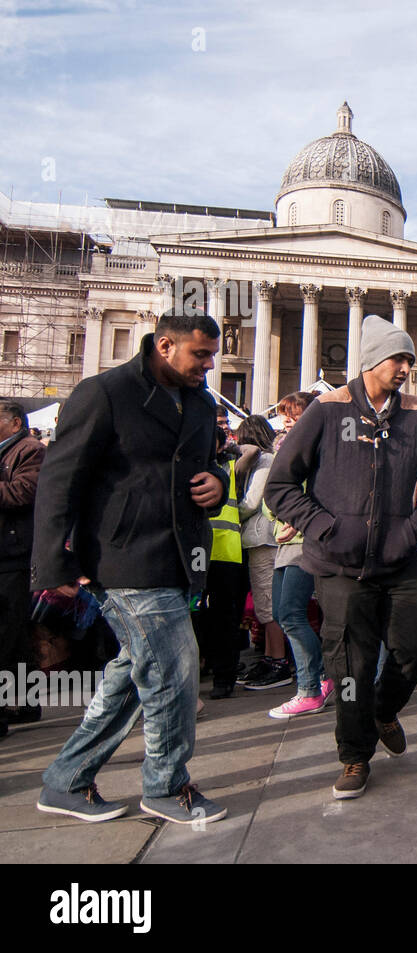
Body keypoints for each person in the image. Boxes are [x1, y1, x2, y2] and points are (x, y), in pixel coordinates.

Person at [33, 310, 229, 825]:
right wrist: (56, 562)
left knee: (133, 674)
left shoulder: (202, 402)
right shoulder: (104, 392)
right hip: (122, 557)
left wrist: (217, 484)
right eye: (200, 355)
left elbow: (208, 467)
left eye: (212, 356)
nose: (208, 367)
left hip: (179, 554)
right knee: (174, 668)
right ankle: (166, 786)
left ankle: (65, 780)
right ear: (164, 346)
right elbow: (59, 480)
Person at [265, 315, 417, 800]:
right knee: (350, 665)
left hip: (399, 561)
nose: (406, 369)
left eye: (410, 361)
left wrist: (411, 530)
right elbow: (281, 485)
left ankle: (383, 709)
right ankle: (353, 756)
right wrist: (325, 527)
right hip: (338, 566)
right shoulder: (326, 410)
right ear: (372, 360)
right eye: (399, 359)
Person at [265, 391, 335, 719]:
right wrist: (280, 518)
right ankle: (320, 679)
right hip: (284, 542)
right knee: (282, 614)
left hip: (306, 543)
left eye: (294, 413)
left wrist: (297, 519)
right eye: (285, 414)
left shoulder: (320, 449)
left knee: (292, 614)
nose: (287, 420)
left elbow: (322, 495)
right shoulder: (282, 448)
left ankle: (312, 686)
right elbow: (271, 498)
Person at [233, 415, 293, 691]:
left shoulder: (265, 462)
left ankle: (278, 661)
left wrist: (227, 505)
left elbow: (251, 502)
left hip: (262, 538)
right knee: (266, 603)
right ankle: (272, 658)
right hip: (264, 538)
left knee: (268, 603)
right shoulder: (268, 460)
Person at [0, 399, 45, 737]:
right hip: (8, 551)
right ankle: (25, 702)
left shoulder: (29, 449)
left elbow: (24, 492)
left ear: (15, 423)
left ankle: (10, 707)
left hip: (14, 552)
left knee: (8, 631)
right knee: (13, 634)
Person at [192, 421, 245, 700]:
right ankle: (202, 669)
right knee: (191, 616)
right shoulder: (185, 465)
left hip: (224, 552)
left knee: (224, 618)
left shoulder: (232, 465)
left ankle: (224, 677)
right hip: (194, 553)